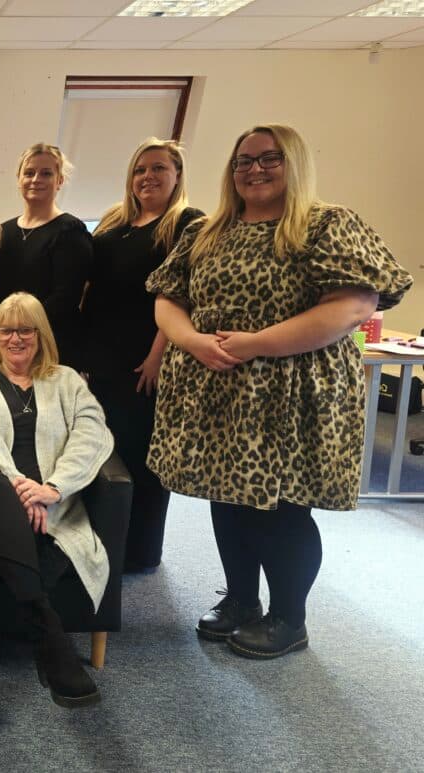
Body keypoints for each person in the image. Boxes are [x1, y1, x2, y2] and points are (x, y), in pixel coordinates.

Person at [146, 123, 413, 659]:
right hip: (215, 385)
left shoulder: (326, 224)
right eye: (243, 160)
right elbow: (166, 298)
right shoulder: (209, 230)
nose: (254, 169)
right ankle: (242, 600)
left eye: (269, 159)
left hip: (290, 392)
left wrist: (257, 344)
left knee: (281, 507)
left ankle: (289, 617)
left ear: (293, 163)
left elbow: (356, 304)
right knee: (228, 496)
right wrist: (194, 341)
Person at [0, 292, 114, 772]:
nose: (14, 338)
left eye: (25, 330)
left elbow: (94, 433)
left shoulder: (66, 381)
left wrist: (51, 488)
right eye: (5, 330)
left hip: (44, 517)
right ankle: (45, 631)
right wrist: (16, 482)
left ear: (40, 336)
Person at [82, 138, 203, 572]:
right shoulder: (118, 220)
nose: (148, 177)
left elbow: (182, 296)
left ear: (177, 175)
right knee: (102, 447)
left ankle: (139, 553)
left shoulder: (187, 223)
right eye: (140, 170)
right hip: (102, 354)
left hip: (144, 358)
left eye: (158, 168)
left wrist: (158, 355)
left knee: (139, 454)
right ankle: (102, 539)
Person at [0, 143, 91, 369]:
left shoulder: (71, 231)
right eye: (29, 173)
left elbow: (66, 296)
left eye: (46, 173)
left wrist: (22, 330)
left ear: (59, 181)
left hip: (51, 344)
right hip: (7, 345)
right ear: (19, 179)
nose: (36, 179)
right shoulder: (3, 231)